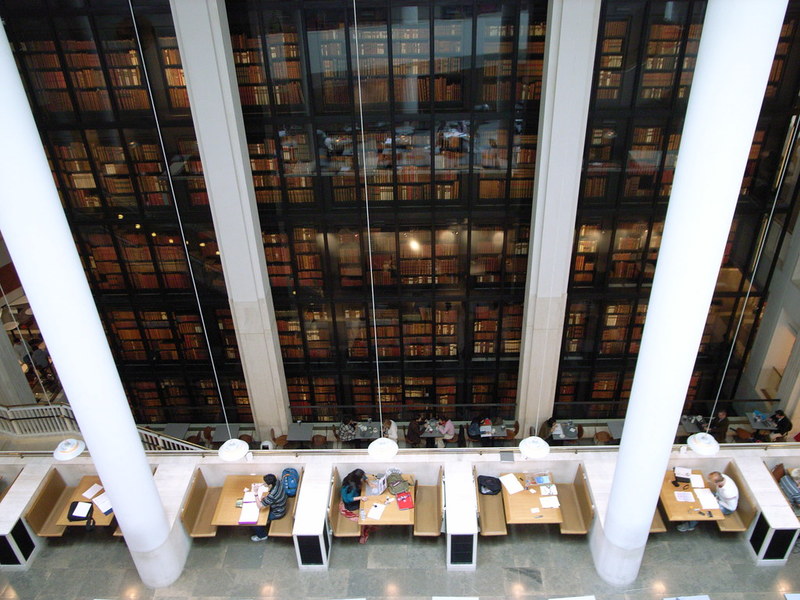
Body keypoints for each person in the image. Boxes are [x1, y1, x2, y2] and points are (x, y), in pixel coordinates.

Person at [339, 468, 374, 543]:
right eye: (361, 478)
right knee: (368, 504)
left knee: (368, 496)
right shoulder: (352, 486)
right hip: (350, 504)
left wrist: (369, 482)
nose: (363, 478)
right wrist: (361, 497)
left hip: (353, 495)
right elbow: (348, 499)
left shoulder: (351, 476)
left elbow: (364, 476)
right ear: (358, 479)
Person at [250, 473, 287, 542]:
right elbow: (271, 493)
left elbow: (260, 506)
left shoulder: (273, 495)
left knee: (254, 522)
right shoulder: (277, 481)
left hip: (278, 512)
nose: (264, 484)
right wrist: (261, 485)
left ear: (270, 485)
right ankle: (266, 524)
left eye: (265, 483)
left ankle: (262, 536)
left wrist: (255, 493)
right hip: (280, 504)